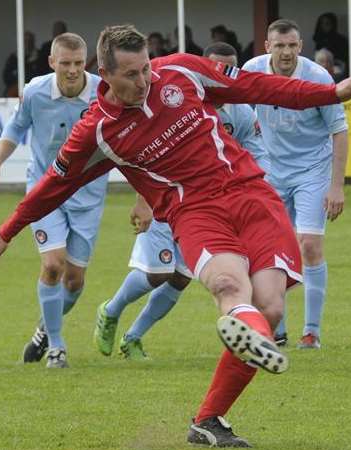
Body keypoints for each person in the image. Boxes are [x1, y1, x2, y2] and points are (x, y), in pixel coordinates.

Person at [0, 24, 351, 447]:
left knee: (271, 306)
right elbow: (54, 185)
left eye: (146, 69)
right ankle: (245, 337)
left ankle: (210, 416)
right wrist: (7, 232)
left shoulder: (183, 71)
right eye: (131, 75)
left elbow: (255, 86)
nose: (144, 81)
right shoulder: (98, 131)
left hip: (252, 195)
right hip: (195, 211)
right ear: (106, 73)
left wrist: (331, 92)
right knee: (228, 285)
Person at [93, 41, 271, 360]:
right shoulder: (171, 97)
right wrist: (143, 201)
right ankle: (111, 310)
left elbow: (255, 153)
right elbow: (142, 157)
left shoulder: (241, 112)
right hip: (165, 203)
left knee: (182, 276)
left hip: (208, 208)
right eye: (215, 67)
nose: (220, 75)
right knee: (157, 272)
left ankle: (133, 337)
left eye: (229, 69)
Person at [0, 33, 109, 368]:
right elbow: (14, 129)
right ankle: (58, 346)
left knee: (75, 281)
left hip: (88, 195)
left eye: (79, 63)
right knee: (52, 266)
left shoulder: (104, 93)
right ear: (52, 63)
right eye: (65, 63)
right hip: (44, 190)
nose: (72, 70)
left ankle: (44, 330)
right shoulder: (35, 91)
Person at [243, 19, 349, 349]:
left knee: (309, 246)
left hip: (312, 171)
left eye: (292, 46)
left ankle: (312, 332)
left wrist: (337, 186)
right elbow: (237, 118)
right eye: (280, 46)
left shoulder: (317, 77)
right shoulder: (252, 71)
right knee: (271, 251)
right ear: (267, 47)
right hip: (271, 172)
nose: (286, 52)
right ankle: (278, 329)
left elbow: (340, 131)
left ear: (300, 47)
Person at [2, 31, 42, 96]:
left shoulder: (40, 56)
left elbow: (43, 75)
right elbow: (6, 76)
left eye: (30, 41)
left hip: (34, 89)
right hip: (15, 89)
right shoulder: (13, 57)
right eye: (25, 41)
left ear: (33, 42)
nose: (27, 44)